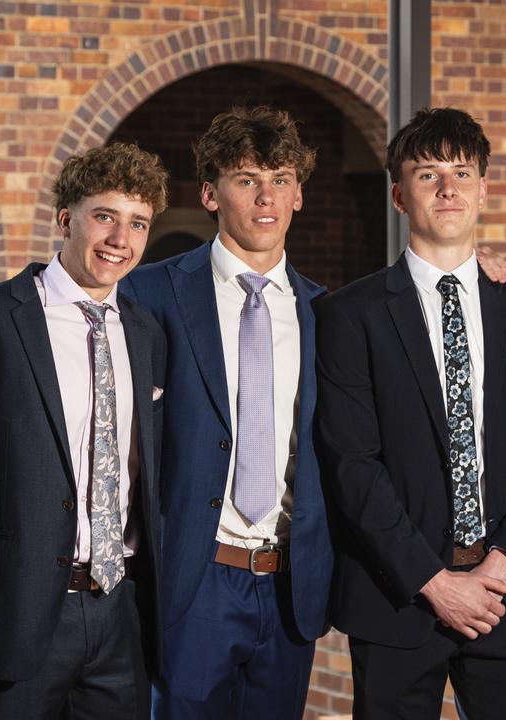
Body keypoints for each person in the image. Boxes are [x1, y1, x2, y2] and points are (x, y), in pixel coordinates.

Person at [315, 107, 506, 719]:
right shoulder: (350, 315)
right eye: (427, 173)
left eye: (461, 173)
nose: (447, 188)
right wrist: (435, 584)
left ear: (484, 189)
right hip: (398, 598)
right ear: (398, 195)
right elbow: (352, 466)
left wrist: (500, 566)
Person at [120, 106, 330, 719]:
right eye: (246, 179)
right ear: (210, 194)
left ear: (298, 196)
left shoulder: (327, 313)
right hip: (195, 577)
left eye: (281, 179)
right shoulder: (150, 293)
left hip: (289, 580)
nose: (266, 197)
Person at [0, 143, 169, 719]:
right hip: (19, 611)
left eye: (138, 224)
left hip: (119, 612)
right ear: (65, 219)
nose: (119, 240)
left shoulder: (147, 334)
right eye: (104, 217)